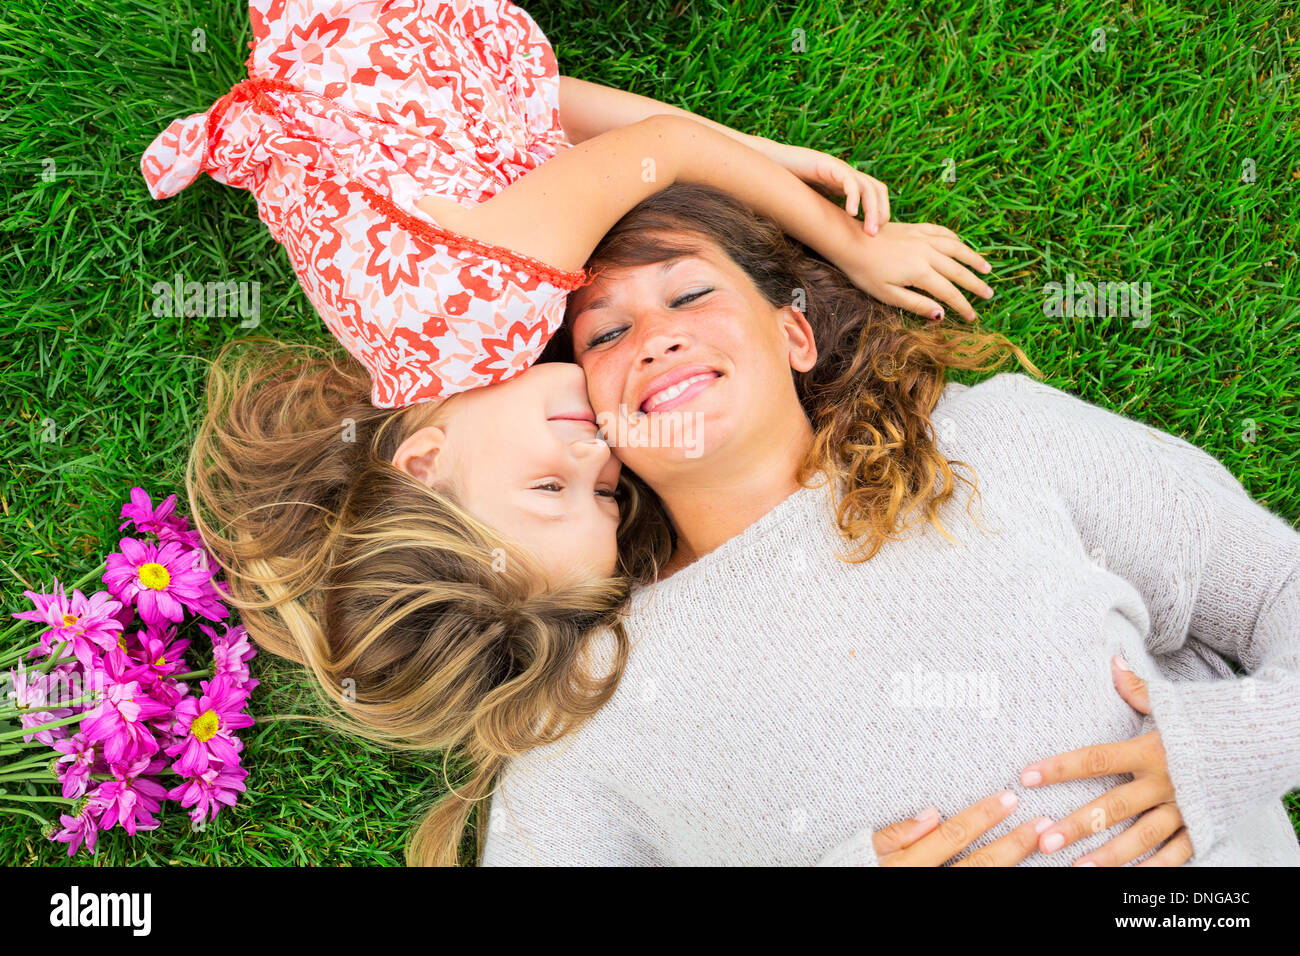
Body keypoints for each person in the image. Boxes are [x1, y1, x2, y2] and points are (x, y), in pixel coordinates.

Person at [146, 1, 992, 864]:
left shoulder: (494, 308)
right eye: (605, 493)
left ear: (427, 464)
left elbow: (664, 150)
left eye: (552, 487)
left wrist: (852, 245)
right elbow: (516, 103)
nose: (600, 450)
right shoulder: (411, 364)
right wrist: (764, 160)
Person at [479, 182, 1300, 866]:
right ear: (598, 419)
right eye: (608, 334)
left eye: (691, 294)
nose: (656, 339)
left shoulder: (997, 442)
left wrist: (1238, 743)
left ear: (794, 333)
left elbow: (1277, 586)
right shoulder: (590, 690)